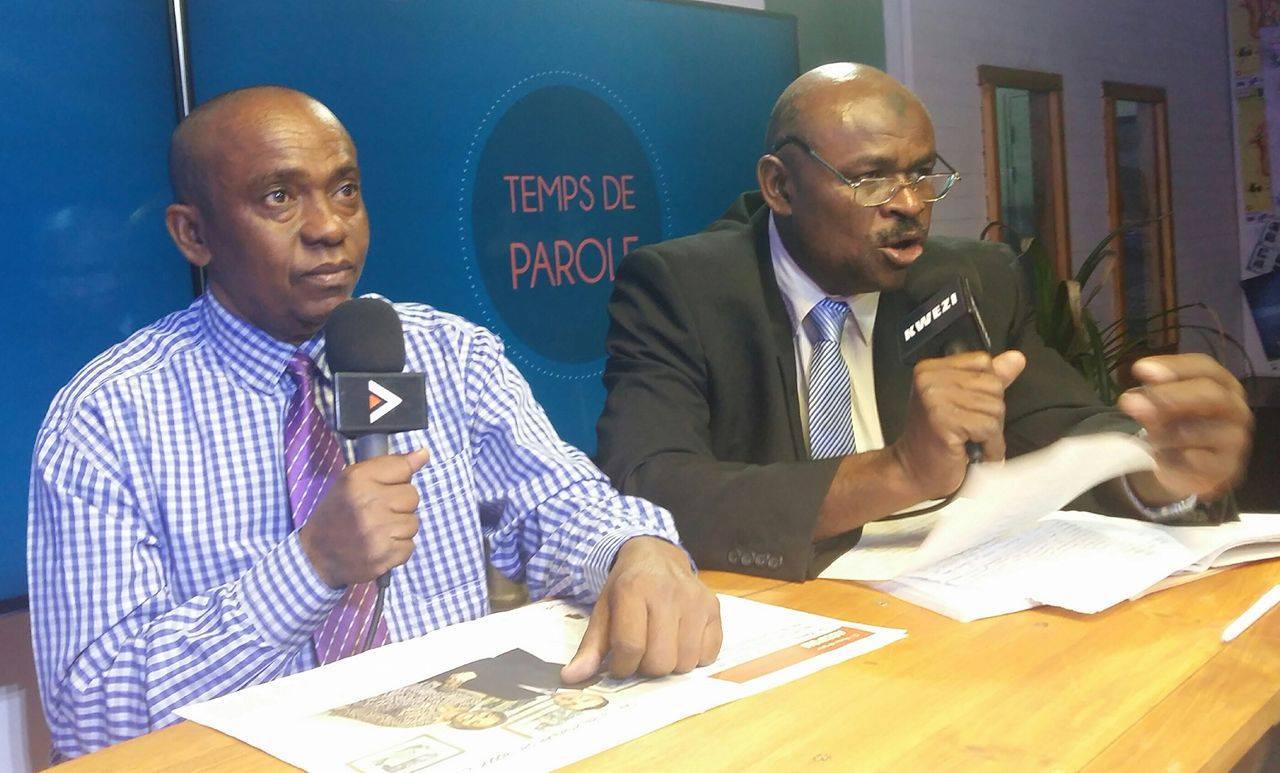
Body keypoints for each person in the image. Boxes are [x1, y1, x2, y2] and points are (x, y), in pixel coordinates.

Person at [27, 86, 721, 760]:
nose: (329, 227)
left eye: (345, 190)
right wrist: (311, 566)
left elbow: (559, 506)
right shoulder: (107, 417)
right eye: (279, 196)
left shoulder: (448, 355)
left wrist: (635, 550)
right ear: (194, 234)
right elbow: (93, 715)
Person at [595, 63, 1253, 581]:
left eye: (921, 174)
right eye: (872, 179)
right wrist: (899, 471)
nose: (910, 204)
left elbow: (1067, 431)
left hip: (948, 602)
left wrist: (1159, 470)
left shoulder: (972, 279)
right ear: (781, 187)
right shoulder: (682, 289)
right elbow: (647, 490)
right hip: (782, 613)